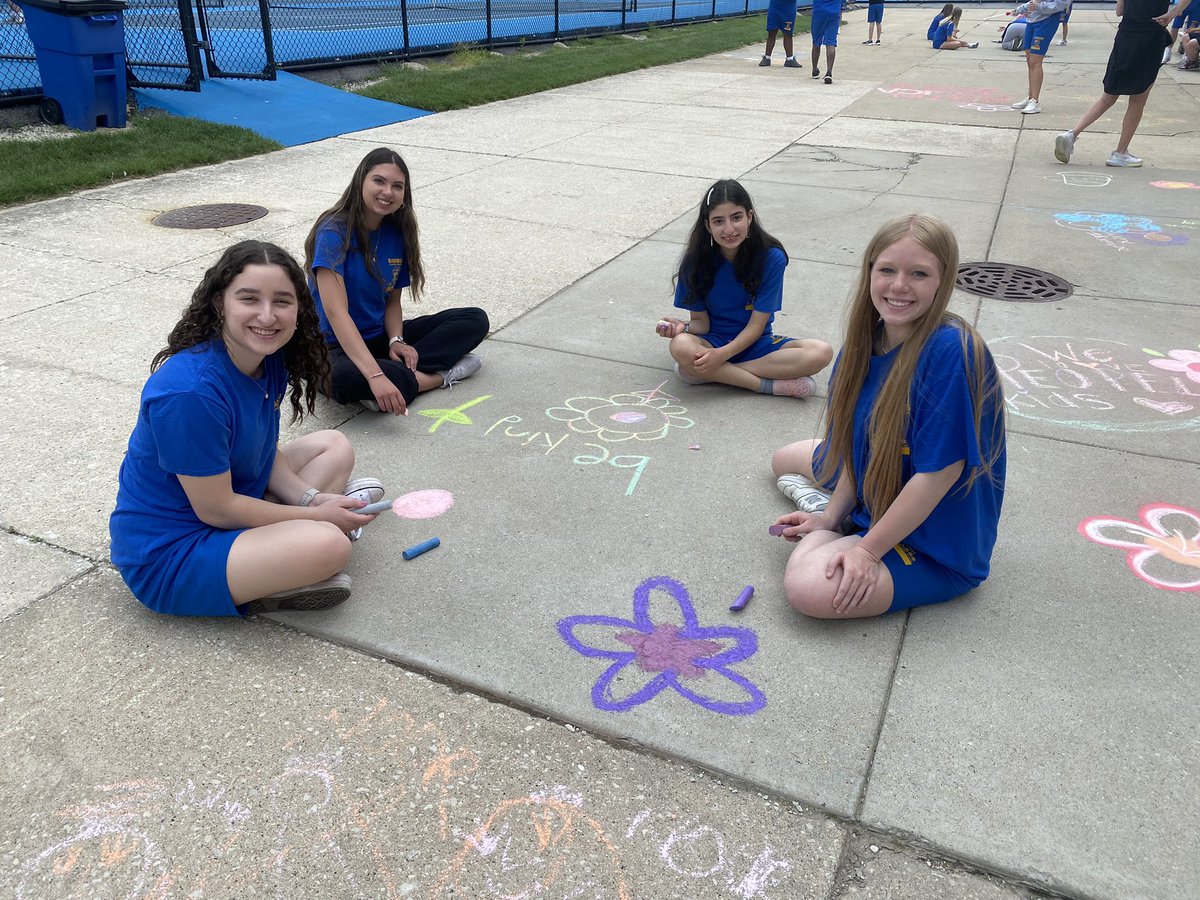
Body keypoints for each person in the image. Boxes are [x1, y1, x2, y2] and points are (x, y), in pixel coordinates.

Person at [110, 241, 382, 618]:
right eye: (250, 299)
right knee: (331, 545)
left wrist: (311, 500)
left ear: (300, 308)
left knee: (334, 445)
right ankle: (270, 579)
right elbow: (217, 510)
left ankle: (283, 543)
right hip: (172, 555)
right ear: (221, 303)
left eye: (282, 301)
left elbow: (263, 451)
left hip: (232, 498)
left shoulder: (266, 358)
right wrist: (319, 517)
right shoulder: (190, 393)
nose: (267, 316)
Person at [770, 214, 1006, 619]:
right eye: (887, 270)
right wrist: (830, 512)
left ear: (943, 281)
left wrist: (865, 549)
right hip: (881, 481)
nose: (899, 286)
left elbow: (936, 477)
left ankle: (840, 531)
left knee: (807, 589)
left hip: (934, 541)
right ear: (869, 273)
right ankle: (834, 514)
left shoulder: (953, 352)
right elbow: (855, 446)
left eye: (919, 273)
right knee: (783, 459)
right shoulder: (864, 342)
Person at [305, 147, 489, 417]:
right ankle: (438, 376)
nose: (387, 192)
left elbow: (392, 301)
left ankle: (389, 383)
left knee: (474, 320)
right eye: (379, 181)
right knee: (343, 378)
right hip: (331, 345)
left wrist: (396, 341)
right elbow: (335, 313)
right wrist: (376, 374)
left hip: (377, 337)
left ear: (404, 195)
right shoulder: (333, 231)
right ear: (361, 182)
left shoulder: (396, 233)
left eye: (397, 186)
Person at [655, 179, 833, 399]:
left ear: (749, 216)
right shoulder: (696, 263)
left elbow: (756, 327)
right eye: (719, 221)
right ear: (708, 225)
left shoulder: (771, 258)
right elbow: (702, 324)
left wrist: (720, 358)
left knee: (821, 352)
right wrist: (683, 327)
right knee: (680, 346)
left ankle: (711, 374)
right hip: (713, 340)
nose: (729, 229)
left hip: (755, 342)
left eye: (736, 217)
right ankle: (767, 385)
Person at [1054, 0, 1188, 167]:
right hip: (1150, 37)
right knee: (1139, 98)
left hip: (1126, 35)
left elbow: (1119, 10)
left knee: (1108, 96)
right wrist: (1173, 13)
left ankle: (1072, 134)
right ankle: (1121, 152)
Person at [1010, 0, 1073, 115]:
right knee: (1029, 60)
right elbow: (1033, 2)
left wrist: (1039, 7)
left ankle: (1035, 101)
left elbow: (1060, 4)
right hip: (1032, 21)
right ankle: (1030, 97)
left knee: (1035, 61)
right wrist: (1020, 9)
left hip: (1046, 22)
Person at [761, 0, 801, 67]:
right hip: (775, 6)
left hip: (788, 7)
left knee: (788, 33)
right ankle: (767, 58)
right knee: (772, 31)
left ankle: (790, 59)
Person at [810, 0, 842, 83]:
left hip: (819, 11)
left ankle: (814, 70)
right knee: (830, 43)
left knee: (816, 42)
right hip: (834, 12)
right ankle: (829, 72)